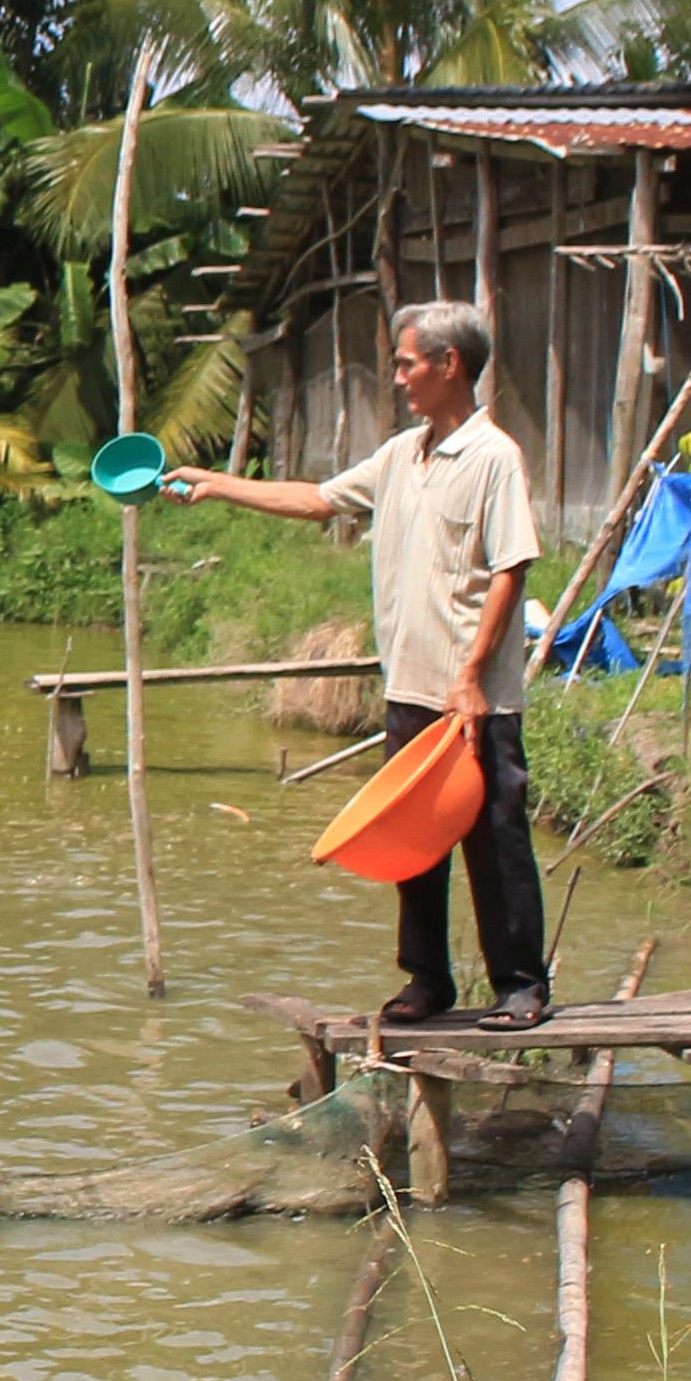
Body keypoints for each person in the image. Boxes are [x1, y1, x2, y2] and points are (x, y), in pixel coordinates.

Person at [174, 300, 551, 1029]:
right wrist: (219, 485)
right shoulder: (402, 454)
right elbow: (317, 499)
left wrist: (472, 676)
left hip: (475, 700)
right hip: (410, 687)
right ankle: (427, 979)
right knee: (413, 843)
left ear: (449, 365)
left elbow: (511, 568)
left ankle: (521, 986)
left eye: (409, 363)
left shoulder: (493, 457)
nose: (400, 377)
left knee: (495, 841)